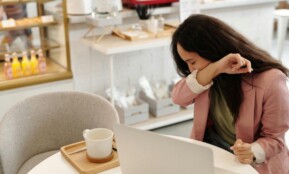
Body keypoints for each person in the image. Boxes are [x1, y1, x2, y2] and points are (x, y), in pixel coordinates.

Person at [171, 14, 289, 174]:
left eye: (192, 62)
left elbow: (275, 139)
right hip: (212, 149)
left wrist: (252, 151)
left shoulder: (271, 80)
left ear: (211, 50)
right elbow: (178, 98)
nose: (191, 69)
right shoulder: (206, 76)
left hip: (250, 162)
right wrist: (216, 68)